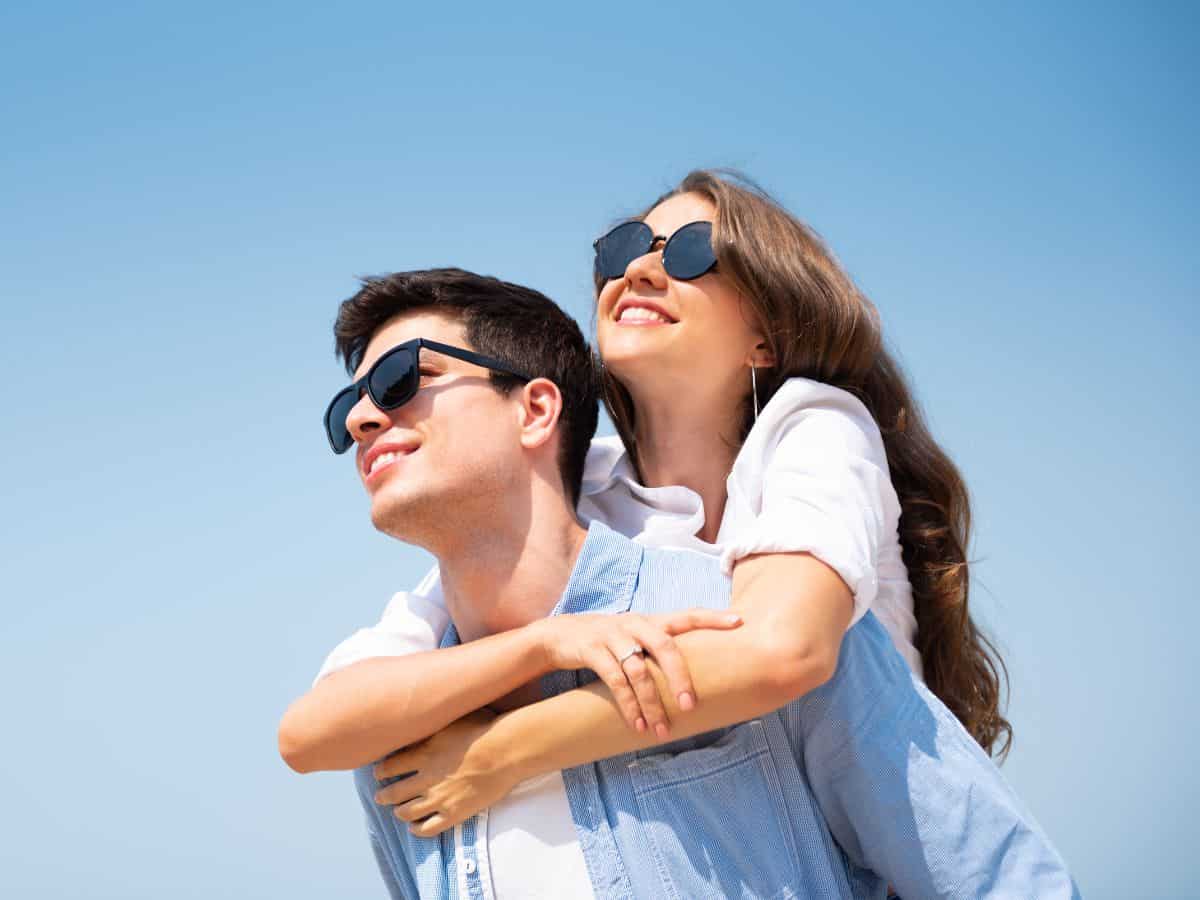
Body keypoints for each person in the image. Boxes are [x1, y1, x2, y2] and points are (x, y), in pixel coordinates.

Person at [280, 261, 1078, 897]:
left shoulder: (732, 621)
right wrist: (543, 645)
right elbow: (307, 733)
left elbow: (1000, 878)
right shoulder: (395, 729)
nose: (362, 418)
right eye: (348, 403)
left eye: (398, 384)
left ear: (535, 411)